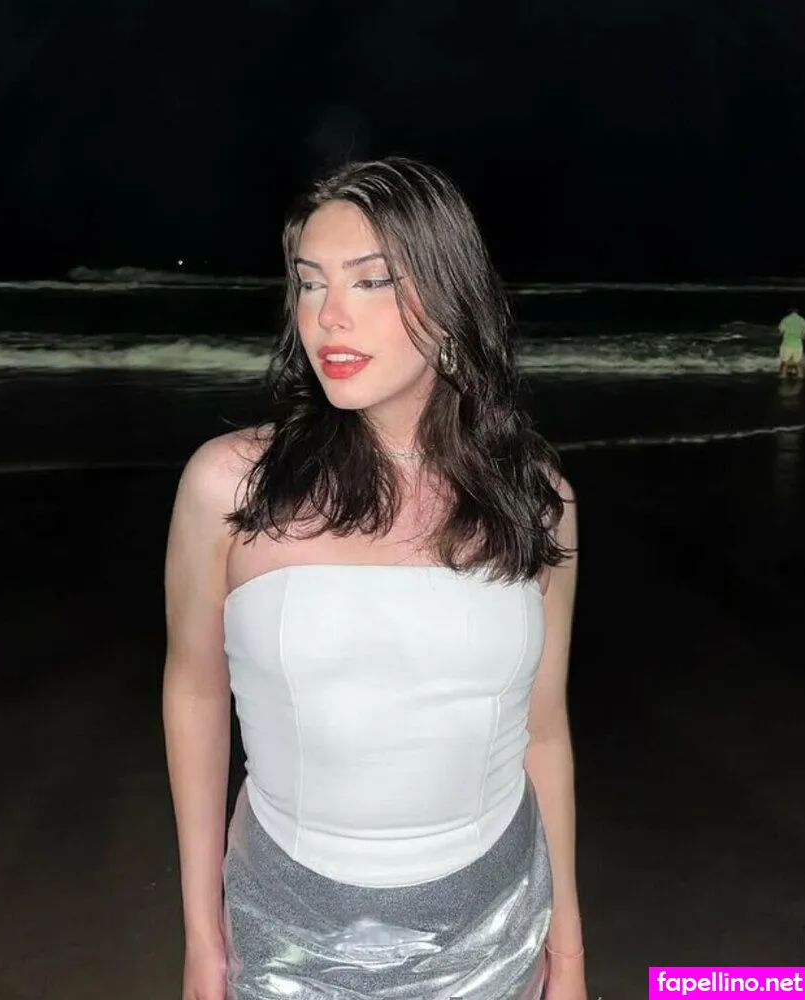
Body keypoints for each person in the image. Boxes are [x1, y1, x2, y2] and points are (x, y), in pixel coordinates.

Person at [163, 157, 585, 1000]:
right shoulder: (233, 488)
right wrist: (202, 937)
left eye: (372, 280)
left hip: (499, 920)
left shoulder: (535, 499)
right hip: (288, 928)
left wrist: (567, 951)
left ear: (451, 293)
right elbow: (196, 694)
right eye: (309, 282)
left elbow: (542, 730)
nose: (329, 315)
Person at [777, 307, 805, 380]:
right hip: (798, 345)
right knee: (798, 362)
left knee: (785, 362)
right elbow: (804, 332)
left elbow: (781, 331)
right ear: (797, 311)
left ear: (790, 311)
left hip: (787, 344)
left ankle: (783, 375)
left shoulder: (786, 319)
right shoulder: (802, 320)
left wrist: (781, 336)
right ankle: (800, 375)